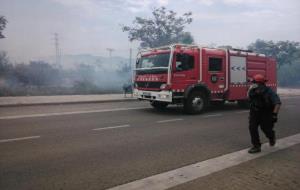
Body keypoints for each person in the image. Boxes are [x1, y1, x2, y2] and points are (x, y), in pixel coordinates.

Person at [247, 74, 281, 154]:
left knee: (266, 129)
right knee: (252, 127)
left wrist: (274, 115)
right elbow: (249, 99)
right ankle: (256, 146)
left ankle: (271, 136)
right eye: (253, 82)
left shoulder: (269, 91)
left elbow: (277, 103)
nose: (253, 84)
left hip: (266, 113)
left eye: (255, 83)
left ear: (261, 84)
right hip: (254, 112)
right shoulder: (252, 90)